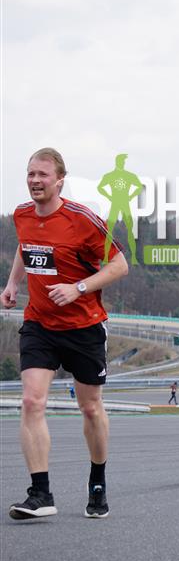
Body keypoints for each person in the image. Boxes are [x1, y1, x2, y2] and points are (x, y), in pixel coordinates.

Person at [1, 148, 128, 520]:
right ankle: (40, 493)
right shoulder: (22, 214)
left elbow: (119, 264)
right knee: (31, 401)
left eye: (43, 174)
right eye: (30, 174)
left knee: (90, 408)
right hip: (40, 324)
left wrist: (79, 288)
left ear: (59, 180)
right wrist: (12, 284)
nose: (35, 181)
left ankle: (98, 481)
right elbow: (26, 248)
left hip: (83, 327)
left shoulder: (82, 220)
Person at [97, 154, 143, 265]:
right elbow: (100, 187)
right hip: (115, 203)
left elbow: (139, 186)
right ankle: (106, 257)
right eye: (121, 161)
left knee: (130, 230)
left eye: (123, 162)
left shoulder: (129, 175)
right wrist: (109, 196)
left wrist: (131, 196)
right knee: (108, 231)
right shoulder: (110, 176)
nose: (122, 163)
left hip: (125, 204)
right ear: (118, 162)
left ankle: (133, 257)